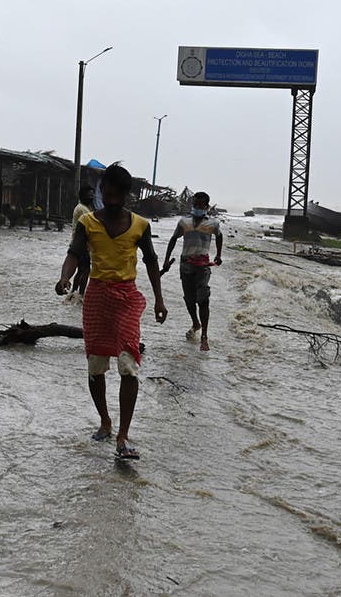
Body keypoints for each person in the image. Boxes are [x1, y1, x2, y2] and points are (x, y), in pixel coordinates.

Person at [56, 164, 167, 460]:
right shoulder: (88, 222)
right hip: (96, 298)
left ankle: (123, 435)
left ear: (126, 194)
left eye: (119, 194)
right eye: (109, 193)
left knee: (129, 365)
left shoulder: (141, 225)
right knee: (96, 366)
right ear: (103, 192)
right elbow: (74, 254)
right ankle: (105, 420)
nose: (113, 198)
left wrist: (159, 299)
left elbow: (152, 262)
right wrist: (65, 277)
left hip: (127, 297)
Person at [162, 191, 223, 351]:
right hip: (186, 264)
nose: (197, 207)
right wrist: (166, 259)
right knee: (189, 299)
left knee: (203, 298)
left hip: (203, 266)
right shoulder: (184, 222)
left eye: (200, 205)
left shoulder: (213, 223)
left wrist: (218, 255)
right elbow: (174, 239)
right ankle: (196, 323)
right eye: (195, 204)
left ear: (206, 206)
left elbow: (220, 236)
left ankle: (204, 336)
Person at [69, 185, 96, 300]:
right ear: (82, 196)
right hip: (82, 245)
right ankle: (80, 294)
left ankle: (74, 294)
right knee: (85, 271)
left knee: (81, 270)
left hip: (78, 244)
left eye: (92, 195)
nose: (91, 197)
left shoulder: (83, 208)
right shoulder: (83, 210)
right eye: (89, 195)